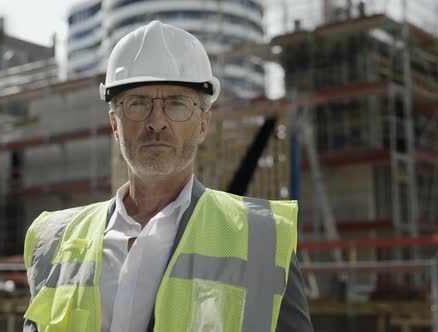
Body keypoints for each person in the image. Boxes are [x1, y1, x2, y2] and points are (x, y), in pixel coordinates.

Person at [23, 20, 313, 332]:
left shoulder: (263, 239)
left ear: (203, 124)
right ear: (115, 124)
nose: (157, 122)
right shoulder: (52, 239)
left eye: (177, 104)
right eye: (138, 104)